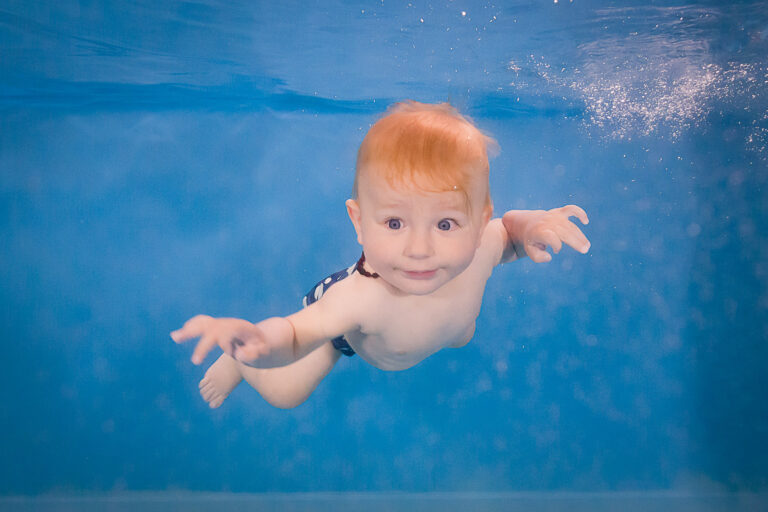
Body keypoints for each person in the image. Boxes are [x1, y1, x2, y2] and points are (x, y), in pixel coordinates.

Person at [171, 101, 591, 409]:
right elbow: (296, 334)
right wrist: (258, 341)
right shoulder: (360, 300)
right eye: (394, 223)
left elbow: (511, 235)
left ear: (481, 221)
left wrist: (532, 226)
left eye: (445, 224)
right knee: (287, 393)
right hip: (346, 320)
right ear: (358, 221)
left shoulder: (483, 247)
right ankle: (240, 364)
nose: (420, 250)